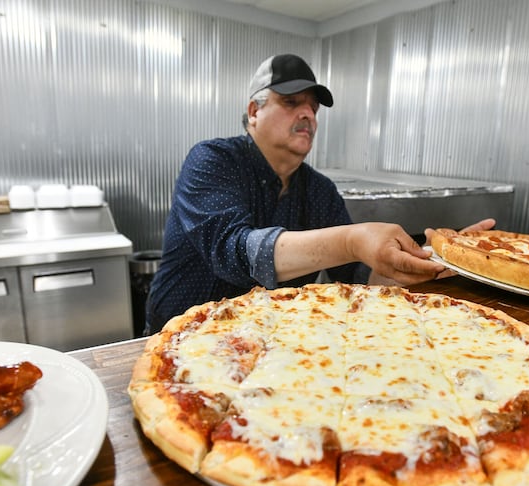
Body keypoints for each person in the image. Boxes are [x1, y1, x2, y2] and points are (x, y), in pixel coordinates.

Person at [145, 54, 494, 334]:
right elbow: (233, 253)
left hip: (269, 344)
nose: (307, 115)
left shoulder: (319, 190)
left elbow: (359, 276)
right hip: (179, 335)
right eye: (291, 102)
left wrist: (434, 261)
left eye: (313, 107)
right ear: (254, 111)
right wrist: (352, 240)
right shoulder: (213, 160)